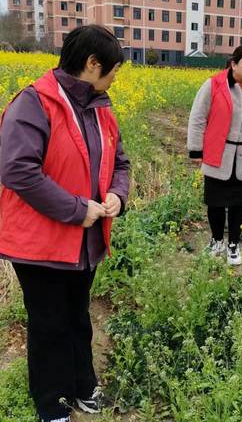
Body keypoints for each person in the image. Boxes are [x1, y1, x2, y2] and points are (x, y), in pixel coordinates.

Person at [0, 25, 130, 422]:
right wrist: (78, 209)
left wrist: (116, 195)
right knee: (48, 324)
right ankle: (51, 405)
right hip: (41, 245)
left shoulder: (100, 108)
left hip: (83, 242)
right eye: (113, 70)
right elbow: (17, 170)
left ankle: (82, 387)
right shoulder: (35, 103)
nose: (114, 78)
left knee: (78, 317)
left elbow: (120, 163)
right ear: (93, 64)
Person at [187, 46, 242, 265]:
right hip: (219, 154)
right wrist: (196, 149)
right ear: (234, 64)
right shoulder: (213, 85)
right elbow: (198, 117)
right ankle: (217, 241)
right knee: (215, 202)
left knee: (238, 203)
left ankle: (233, 245)